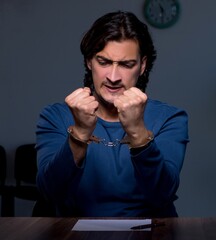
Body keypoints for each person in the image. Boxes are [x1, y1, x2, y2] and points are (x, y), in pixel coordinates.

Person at [36, 11, 189, 217]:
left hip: (150, 233)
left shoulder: (170, 118)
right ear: (90, 61)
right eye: (104, 62)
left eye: (126, 65)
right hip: (75, 233)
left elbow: (161, 195)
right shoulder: (56, 116)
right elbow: (50, 193)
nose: (113, 77)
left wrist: (137, 132)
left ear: (142, 66)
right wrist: (80, 133)